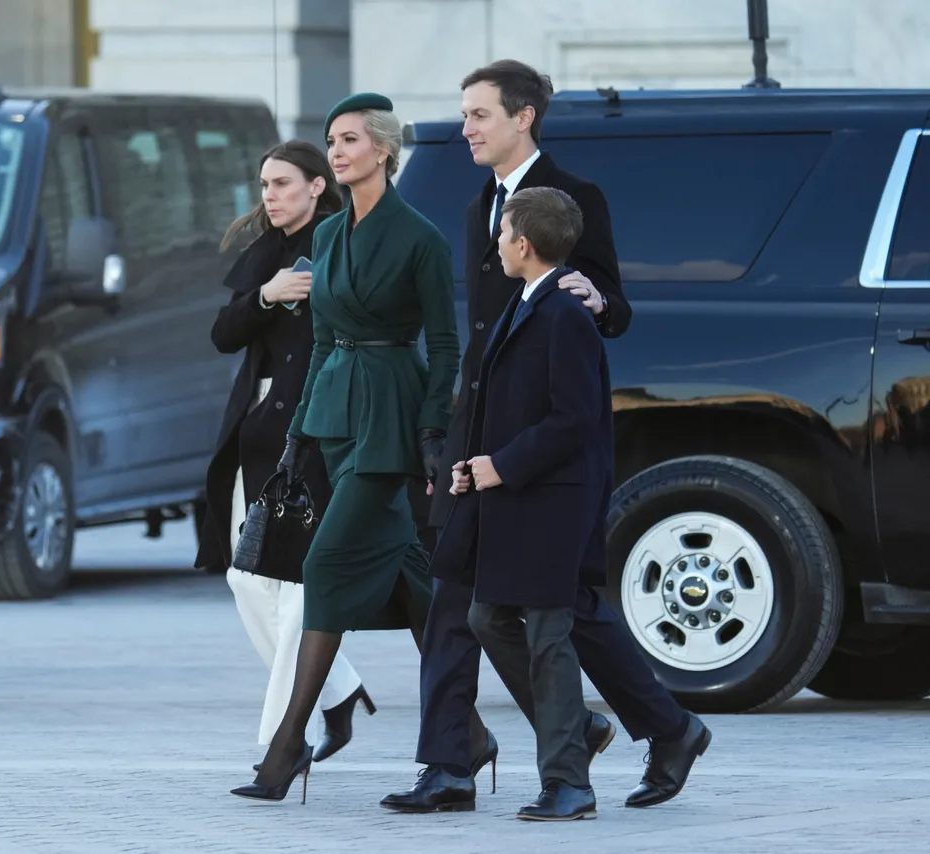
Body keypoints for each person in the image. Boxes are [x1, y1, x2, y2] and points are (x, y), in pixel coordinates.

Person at [384, 59, 710, 816]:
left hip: (541, 450)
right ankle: (451, 766)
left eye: (477, 115)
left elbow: (610, 308)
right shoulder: (477, 213)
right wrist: (449, 439)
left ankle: (660, 729)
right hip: (482, 440)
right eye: (464, 114)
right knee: (458, 600)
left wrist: (598, 300)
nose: (465, 127)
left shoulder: (575, 201)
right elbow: (478, 338)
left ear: (522, 117)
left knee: (565, 609)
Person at [229, 92, 493, 804]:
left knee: (323, 563)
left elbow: (443, 343)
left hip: (391, 413)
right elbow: (319, 338)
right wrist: (299, 435)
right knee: (413, 579)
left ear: (382, 149)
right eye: (332, 141)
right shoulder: (329, 236)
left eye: (349, 141)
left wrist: (436, 430)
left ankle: (288, 745)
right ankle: (470, 734)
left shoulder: (419, 238)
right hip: (336, 414)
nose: (337, 152)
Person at [196, 140, 376, 767]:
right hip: (258, 431)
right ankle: (341, 689)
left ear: (317, 186)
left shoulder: (341, 241)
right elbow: (223, 335)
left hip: (317, 429)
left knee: (297, 588)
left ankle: (283, 741)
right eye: (265, 184)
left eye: (282, 184)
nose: (270, 196)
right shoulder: (265, 255)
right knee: (245, 576)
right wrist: (267, 295)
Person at [451, 185, 613, 819]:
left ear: (523, 243)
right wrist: (473, 467)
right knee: (487, 617)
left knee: (548, 635)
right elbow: (509, 404)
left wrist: (504, 465)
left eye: (503, 233)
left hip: (553, 501)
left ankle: (568, 784)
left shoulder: (564, 314)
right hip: (515, 494)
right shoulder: (525, 302)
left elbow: (574, 419)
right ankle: (573, 726)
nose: (495, 242)